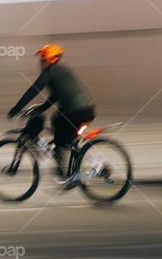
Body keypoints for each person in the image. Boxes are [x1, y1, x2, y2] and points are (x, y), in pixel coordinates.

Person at [6, 43, 95, 182]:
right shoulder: (62, 70)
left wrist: (16, 109)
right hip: (87, 110)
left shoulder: (49, 72)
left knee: (59, 132)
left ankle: (64, 174)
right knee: (57, 122)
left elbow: (33, 90)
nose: (40, 62)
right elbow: (55, 96)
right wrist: (41, 107)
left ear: (50, 59)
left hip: (75, 111)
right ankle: (72, 163)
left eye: (42, 59)